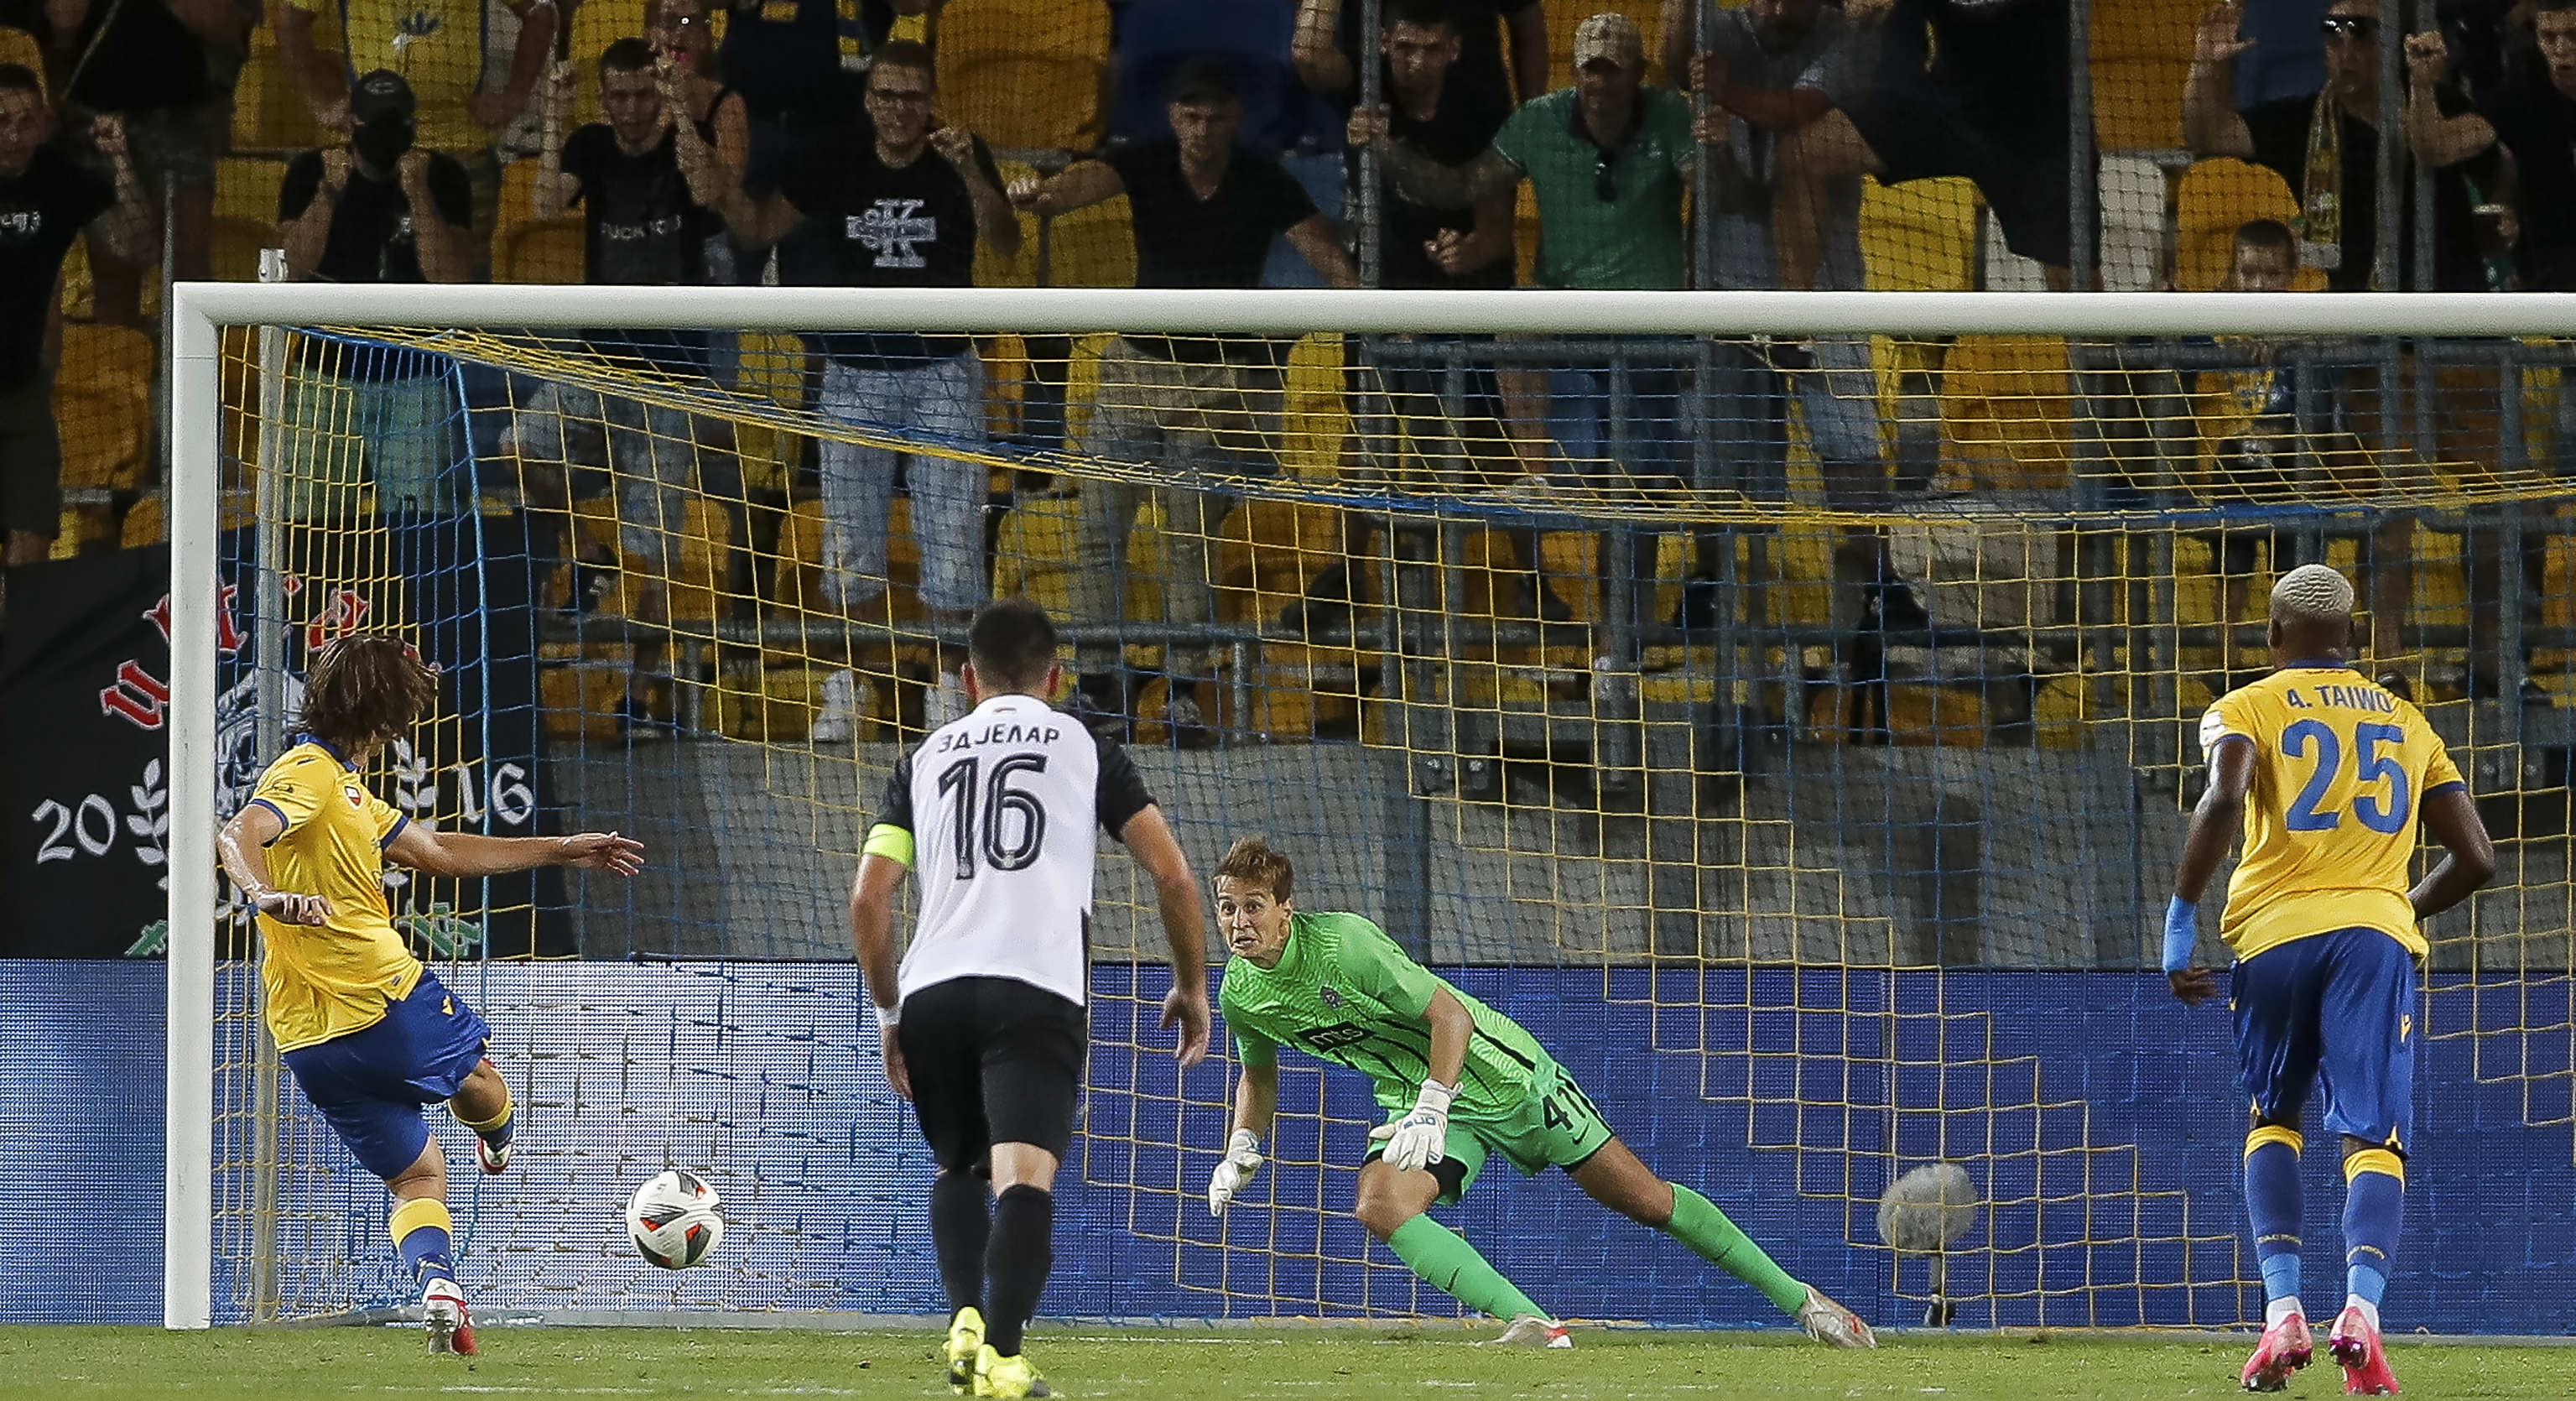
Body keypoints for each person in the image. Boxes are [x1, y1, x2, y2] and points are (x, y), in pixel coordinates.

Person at [1203, 836, 1876, 1350]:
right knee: (1380, 1204)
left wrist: (1434, 1104)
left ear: (1285, 911)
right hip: (1423, 1102)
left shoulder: (1345, 944)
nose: (1238, 922)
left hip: (1505, 1076)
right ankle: (1535, 1326)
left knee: (1647, 1201)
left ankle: (1804, 1302)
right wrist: (1241, 1146)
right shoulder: (1241, 993)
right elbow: (1257, 1075)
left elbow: (1451, 1017)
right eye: (1227, 908)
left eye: (1252, 907)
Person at [214, 633, 646, 1355]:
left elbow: (438, 852)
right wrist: (266, 893)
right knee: (479, 1076)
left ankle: (438, 1283)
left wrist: (560, 848)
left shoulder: (348, 791)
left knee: (416, 1174)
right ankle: (499, 1138)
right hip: (381, 997)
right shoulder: (308, 774)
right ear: (387, 717)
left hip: (306, 1040)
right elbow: (241, 830)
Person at [850, 599, 1213, 1399]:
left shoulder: (922, 758)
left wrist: (889, 1015)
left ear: (965, 680)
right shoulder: (1087, 747)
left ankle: (964, 1321)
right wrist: (1191, 984)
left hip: (934, 988)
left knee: (956, 1165)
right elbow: (1175, 877)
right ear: (1055, 678)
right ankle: (1004, 1361)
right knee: (1023, 1179)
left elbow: (869, 903)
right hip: (1035, 987)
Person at [2162, 565, 2494, 1395]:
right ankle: (2360, 1313)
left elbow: (2222, 796)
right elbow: (2476, 857)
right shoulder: (2406, 719)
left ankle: (2280, 1314)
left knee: (2270, 1117)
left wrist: (2177, 918)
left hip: (2271, 937)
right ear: (2352, 633)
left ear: (2272, 633)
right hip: (2370, 941)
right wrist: (2397, 907)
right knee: (2371, 1133)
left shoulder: (2244, 706)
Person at [1011, 57, 1360, 744]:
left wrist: (1367, 300)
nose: (1201, 129)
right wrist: (1037, 191)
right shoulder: (1142, 164)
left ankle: (1181, 691)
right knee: (1096, 529)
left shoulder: (1263, 179)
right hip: (1134, 373)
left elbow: (1331, 261)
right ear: (1174, 118)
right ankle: (1100, 684)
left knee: (1186, 538)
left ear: (1235, 120)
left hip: (1217, 386)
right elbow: (1069, 191)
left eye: (1215, 116)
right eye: (1190, 115)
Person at [2188, 0, 2513, 699]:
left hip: (2466, 344)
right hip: (2371, 346)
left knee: (2499, 512)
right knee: (2386, 510)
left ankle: (2494, 665)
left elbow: (2432, 148)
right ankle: (2387, 660)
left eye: (2360, 31)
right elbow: (2208, 133)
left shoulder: (2458, 106)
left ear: (2394, 43)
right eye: (2330, 32)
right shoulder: (2308, 122)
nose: (2343, 46)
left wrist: (2421, 88)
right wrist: (2205, 68)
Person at [716, 39, 1018, 740]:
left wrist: (971, 167)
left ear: (932, 99)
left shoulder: (960, 157)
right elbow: (757, 226)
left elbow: (1003, 240)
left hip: (944, 372)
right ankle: (850, 686)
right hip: (852, 374)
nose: (898, 110)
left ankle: (950, 691)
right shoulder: (835, 159)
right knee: (849, 546)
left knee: (952, 547)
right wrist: (710, 176)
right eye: (885, 95)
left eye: (912, 96)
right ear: (867, 98)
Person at [1359, 13, 1694, 634]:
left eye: (1613, 72)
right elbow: (1458, 185)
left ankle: (1624, 636)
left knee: (1634, 496)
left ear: (1637, 76)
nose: (1599, 84)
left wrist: (1715, 152)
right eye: (1589, 69)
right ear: (1575, 72)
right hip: (1563, 319)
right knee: (1512, 321)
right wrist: (1384, 149)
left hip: (1651, 326)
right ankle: (1536, 477)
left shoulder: (1671, 115)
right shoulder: (1539, 119)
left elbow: (1715, 188)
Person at [521, 39, 733, 732]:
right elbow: (546, 200)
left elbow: (708, 191)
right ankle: (588, 552)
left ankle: (642, 696)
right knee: (520, 445)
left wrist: (679, 105)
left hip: (673, 376)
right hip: (597, 361)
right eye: (619, 96)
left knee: (660, 552)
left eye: (644, 95)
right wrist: (553, 111)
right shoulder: (589, 144)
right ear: (603, 97)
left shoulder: (686, 141)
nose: (633, 110)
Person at [275, 70, 474, 521]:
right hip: (326, 371)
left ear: (412, 125)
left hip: (415, 371)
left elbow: (453, 277)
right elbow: (289, 270)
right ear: (351, 123)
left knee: (420, 521)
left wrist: (419, 194)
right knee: (307, 518)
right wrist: (327, 194)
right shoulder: (311, 171)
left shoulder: (442, 175)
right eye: (374, 123)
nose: (385, 135)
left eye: (395, 123)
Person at [1774, 0, 2077, 290]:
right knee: (1803, 151)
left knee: (2073, 286)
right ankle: (1786, 335)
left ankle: (2095, 343)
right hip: (1947, 107)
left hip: (2039, 129)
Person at [277, 0, 559, 279]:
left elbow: (540, 10)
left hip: (460, 151)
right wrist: (319, 101)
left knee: (465, 282)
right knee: (358, 261)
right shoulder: (318, 169)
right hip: (367, 151)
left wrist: (515, 98)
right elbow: (290, 16)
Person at [0, 65, 148, 580]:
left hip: (23, 391)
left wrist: (120, 159)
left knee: (33, 535)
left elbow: (135, 244)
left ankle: (18, 655)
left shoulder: (58, 181)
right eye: (1, 121)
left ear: (44, 121)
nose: (13, 135)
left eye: (25, 120)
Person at [34, 0, 252, 326]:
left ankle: (191, 371)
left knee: (188, 271)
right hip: (94, 117)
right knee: (114, 277)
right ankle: (118, 372)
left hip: (182, 118)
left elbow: (227, 28)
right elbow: (60, 23)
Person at [1294, 0, 1548, 123]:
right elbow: (1310, 56)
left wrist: (1532, 120)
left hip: (1476, 129)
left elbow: (1528, 31)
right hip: (1379, 130)